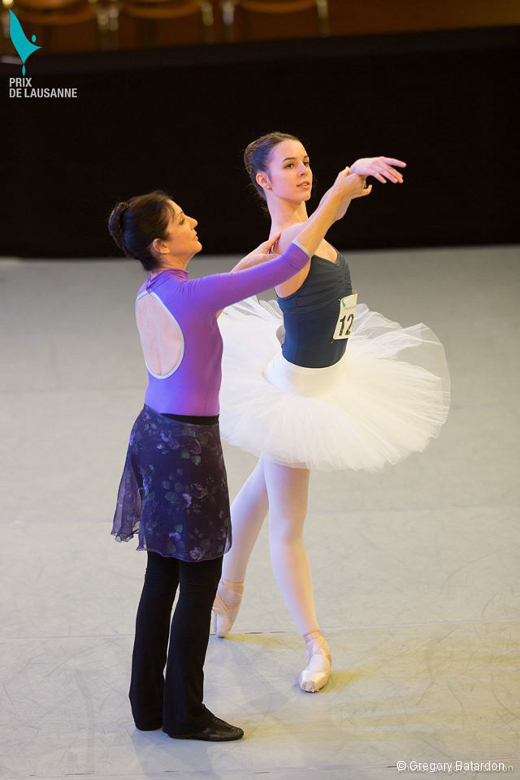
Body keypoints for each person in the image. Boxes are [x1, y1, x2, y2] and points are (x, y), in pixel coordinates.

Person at [107, 175, 370, 741]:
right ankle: (186, 713)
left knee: (162, 575)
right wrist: (335, 200)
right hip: (187, 446)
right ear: (161, 244)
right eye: (181, 221)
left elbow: (227, 283)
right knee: (200, 578)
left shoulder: (156, 291)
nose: (193, 223)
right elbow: (283, 266)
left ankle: (147, 703)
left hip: (152, 434)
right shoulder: (192, 295)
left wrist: (260, 252)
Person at [213, 132, 451, 694]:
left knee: (259, 491)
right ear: (263, 181)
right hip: (298, 397)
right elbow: (316, 220)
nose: (304, 171)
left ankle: (227, 589)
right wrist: (344, 182)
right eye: (288, 165)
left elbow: (316, 221)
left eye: (307, 162)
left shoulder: (290, 237)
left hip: (328, 380)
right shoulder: (293, 238)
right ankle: (313, 641)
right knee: (289, 527)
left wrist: (343, 185)